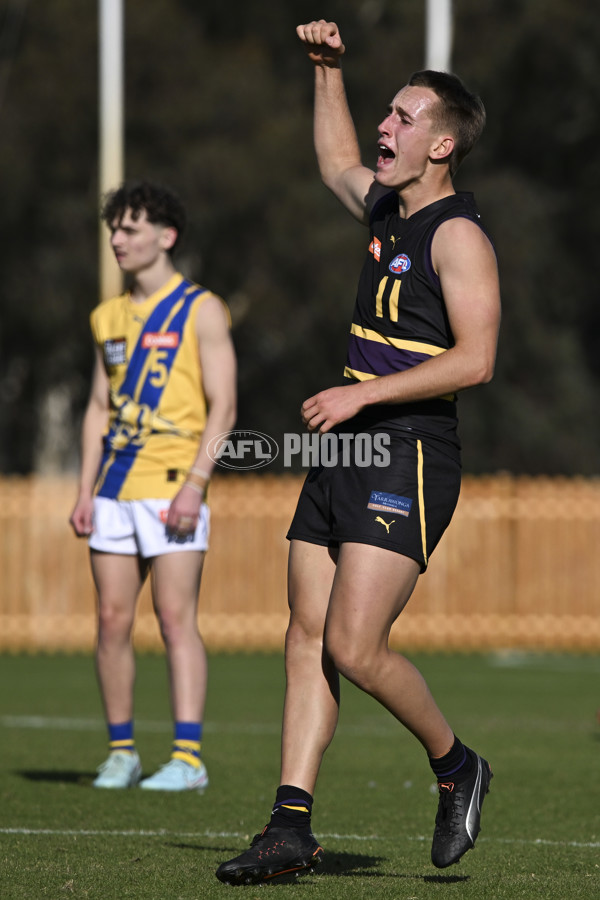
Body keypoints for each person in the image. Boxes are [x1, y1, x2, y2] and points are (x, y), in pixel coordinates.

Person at [216, 19, 500, 884]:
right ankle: (289, 827)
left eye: (405, 117)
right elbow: (336, 160)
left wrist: (363, 394)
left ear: (442, 144)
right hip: (346, 447)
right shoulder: (386, 207)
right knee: (305, 635)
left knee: (353, 645)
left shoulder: (457, 236)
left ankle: (458, 766)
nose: (387, 125)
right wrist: (326, 71)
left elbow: (477, 360)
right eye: (387, 111)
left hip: (406, 452)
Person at [70, 180, 237, 791]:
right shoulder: (106, 316)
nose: (118, 239)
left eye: (130, 229)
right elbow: (98, 406)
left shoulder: (202, 308)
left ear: (166, 237)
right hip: (115, 486)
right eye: (114, 229)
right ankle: (122, 753)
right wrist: (84, 490)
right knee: (112, 619)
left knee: (173, 618)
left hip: (174, 484)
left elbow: (224, 407)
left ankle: (187, 759)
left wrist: (196, 484)